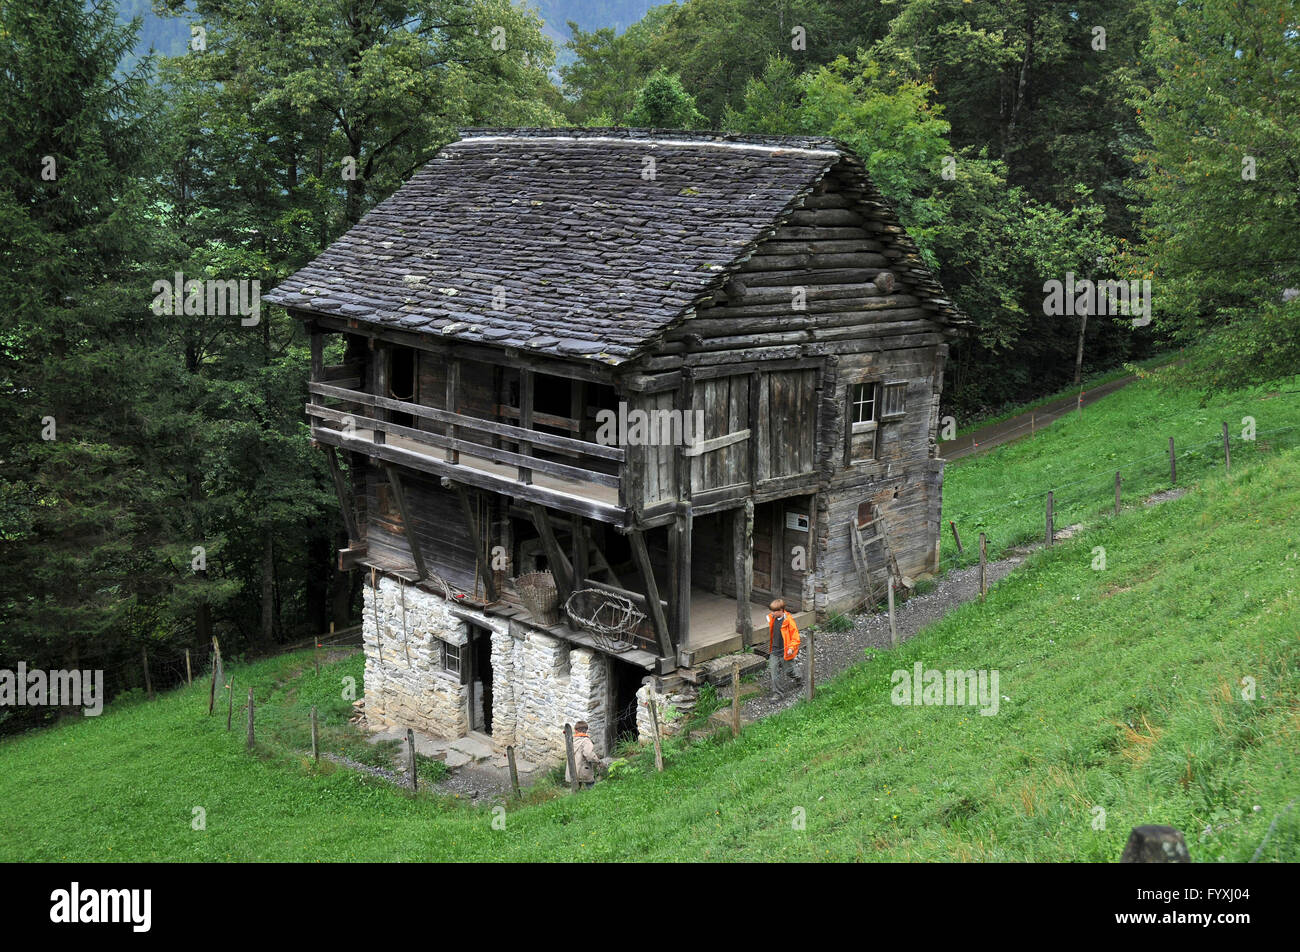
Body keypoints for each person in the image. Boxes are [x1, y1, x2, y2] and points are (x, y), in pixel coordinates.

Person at [766, 598, 801, 694]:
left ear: (781, 610)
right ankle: (778, 693)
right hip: (774, 651)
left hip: (785, 651)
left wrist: (791, 648)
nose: (771, 613)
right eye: (771, 610)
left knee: (789, 671)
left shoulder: (789, 621)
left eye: (774, 611)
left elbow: (796, 637)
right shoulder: (772, 618)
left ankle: (798, 676)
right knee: (774, 673)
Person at [566, 720, 599, 790]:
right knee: (591, 787)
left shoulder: (571, 740)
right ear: (586, 730)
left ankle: (574, 799)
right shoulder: (586, 741)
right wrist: (597, 760)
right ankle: (593, 799)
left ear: (575, 730)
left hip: (573, 770)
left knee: (576, 788)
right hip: (583, 769)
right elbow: (588, 754)